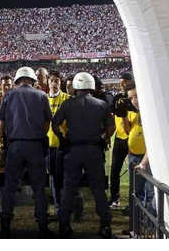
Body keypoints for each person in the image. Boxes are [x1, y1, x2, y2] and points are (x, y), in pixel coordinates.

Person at [52, 72, 115, 238]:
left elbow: (55, 124)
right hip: (94, 150)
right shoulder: (101, 104)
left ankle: (64, 225)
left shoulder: (67, 104)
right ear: (92, 86)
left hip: (73, 150)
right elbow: (111, 128)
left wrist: (62, 138)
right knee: (98, 189)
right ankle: (106, 225)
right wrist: (104, 139)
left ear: (76, 86)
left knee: (69, 188)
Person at [0, 67, 54, 239]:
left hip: (15, 145)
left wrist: (3, 143)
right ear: (32, 80)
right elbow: (46, 123)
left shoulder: (8, 95)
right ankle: (42, 226)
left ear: (17, 79)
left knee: (10, 187)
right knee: (38, 188)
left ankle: (5, 226)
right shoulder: (41, 95)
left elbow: (2, 123)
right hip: (35, 145)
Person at [119, 82, 155, 236]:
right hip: (134, 156)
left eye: (137, 96)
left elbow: (154, 142)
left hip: (148, 160)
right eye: (131, 97)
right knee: (135, 194)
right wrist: (123, 115)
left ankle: (152, 230)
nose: (134, 100)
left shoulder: (152, 112)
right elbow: (127, 131)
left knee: (151, 194)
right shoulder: (132, 111)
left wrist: (144, 162)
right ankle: (136, 228)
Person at [45, 70, 72, 221]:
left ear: (60, 82)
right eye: (52, 80)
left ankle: (66, 208)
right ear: (48, 82)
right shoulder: (43, 99)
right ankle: (58, 208)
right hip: (49, 145)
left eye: (57, 80)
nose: (54, 83)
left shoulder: (67, 99)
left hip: (65, 145)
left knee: (65, 178)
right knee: (54, 178)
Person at [109, 72, 137, 208]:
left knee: (135, 172)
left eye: (124, 82)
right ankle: (115, 198)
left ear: (131, 82)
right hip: (120, 138)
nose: (121, 84)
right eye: (120, 82)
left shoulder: (137, 96)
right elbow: (113, 115)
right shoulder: (118, 97)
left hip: (134, 138)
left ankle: (135, 201)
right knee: (114, 170)